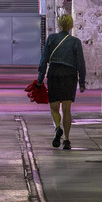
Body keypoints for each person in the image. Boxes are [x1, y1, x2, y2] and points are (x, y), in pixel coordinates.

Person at [36, 13, 86, 150]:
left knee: (54, 108)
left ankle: (58, 128)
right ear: (70, 26)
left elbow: (44, 59)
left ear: (59, 24)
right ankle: (67, 140)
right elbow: (80, 63)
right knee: (67, 109)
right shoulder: (75, 42)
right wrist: (82, 82)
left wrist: (40, 78)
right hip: (69, 76)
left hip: (54, 74)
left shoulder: (52, 38)